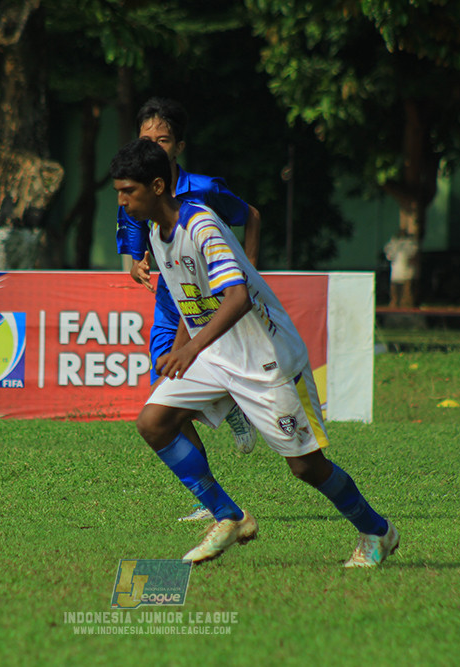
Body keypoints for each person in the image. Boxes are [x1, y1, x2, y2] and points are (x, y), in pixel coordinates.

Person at [110, 138, 399, 567]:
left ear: (156, 186)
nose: (122, 201)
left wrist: (191, 350)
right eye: (118, 192)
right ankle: (229, 517)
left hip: (267, 359)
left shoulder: (201, 227)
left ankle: (378, 531)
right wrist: (181, 353)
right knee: (154, 422)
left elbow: (238, 298)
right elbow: (189, 306)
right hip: (215, 356)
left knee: (307, 468)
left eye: (127, 192)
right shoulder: (157, 233)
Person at [117, 98, 261, 522]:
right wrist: (136, 263)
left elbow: (250, 214)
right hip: (171, 299)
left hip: (215, 299)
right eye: (148, 140)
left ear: (178, 146)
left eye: (163, 140)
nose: (155, 148)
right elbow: (134, 243)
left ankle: (231, 407)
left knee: (183, 378)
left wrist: (247, 271)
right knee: (163, 384)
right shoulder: (134, 188)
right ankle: (208, 496)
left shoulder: (203, 189)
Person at [383, 229, 418, 307]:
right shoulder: (394, 244)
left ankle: (406, 305)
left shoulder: (410, 244)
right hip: (396, 272)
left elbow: (412, 255)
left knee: (406, 292)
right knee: (395, 292)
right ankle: (395, 304)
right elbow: (389, 255)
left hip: (405, 272)